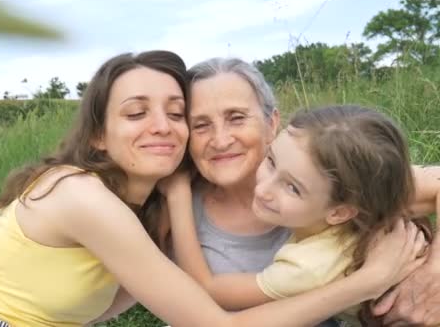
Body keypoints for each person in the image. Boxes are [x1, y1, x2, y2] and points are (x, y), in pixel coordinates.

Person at [0, 51, 422, 327]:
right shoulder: (83, 198)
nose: (164, 126)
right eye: (136, 112)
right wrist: (368, 280)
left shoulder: (155, 202)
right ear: (99, 136)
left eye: (177, 114)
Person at [156, 57, 440, 327]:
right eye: (201, 125)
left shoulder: (332, 175)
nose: (220, 140)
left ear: (271, 124)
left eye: (236, 117)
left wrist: (434, 274)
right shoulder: (173, 204)